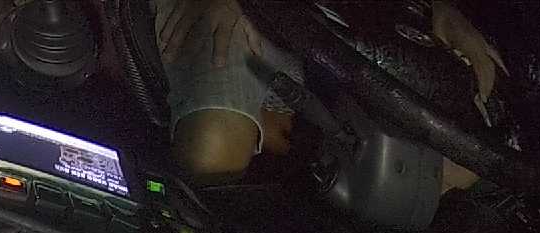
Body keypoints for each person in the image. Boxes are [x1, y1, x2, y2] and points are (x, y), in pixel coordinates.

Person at [152, 0, 506, 189]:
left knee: (460, 166)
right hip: (236, 9)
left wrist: (443, 9)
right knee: (213, 152)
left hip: (330, 24)